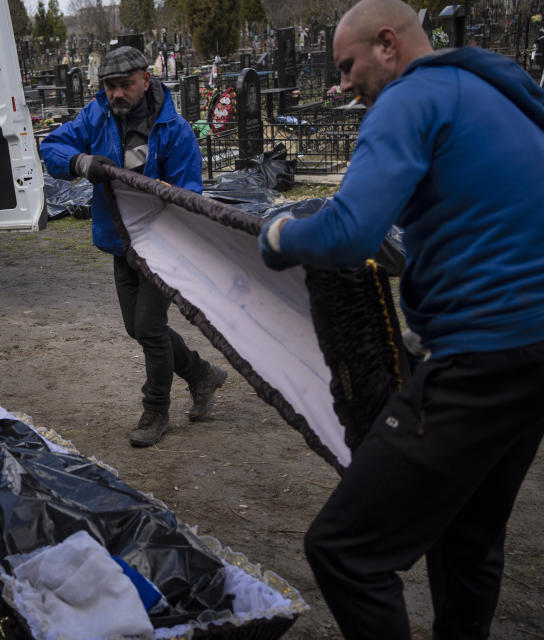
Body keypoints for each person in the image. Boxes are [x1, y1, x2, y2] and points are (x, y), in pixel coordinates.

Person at [258, 0, 544, 638]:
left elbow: (347, 232)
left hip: (480, 357)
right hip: (534, 352)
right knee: (468, 536)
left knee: (344, 551)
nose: (343, 84)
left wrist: (278, 234)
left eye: (348, 65)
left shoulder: (406, 102)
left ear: (388, 44)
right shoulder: (500, 90)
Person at [41, 46, 227, 448]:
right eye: (110, 86)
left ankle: (156, 410)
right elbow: (53, 146)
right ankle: (201, 374)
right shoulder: (97, 115)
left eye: (125, 85)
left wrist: (165, 197)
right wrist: (80, 163)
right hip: (119, 241)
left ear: (146, 79)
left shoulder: (174, 130)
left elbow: (190, 196)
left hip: (160, 246)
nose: (116, 93)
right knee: (138, 328)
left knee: (149, 327)